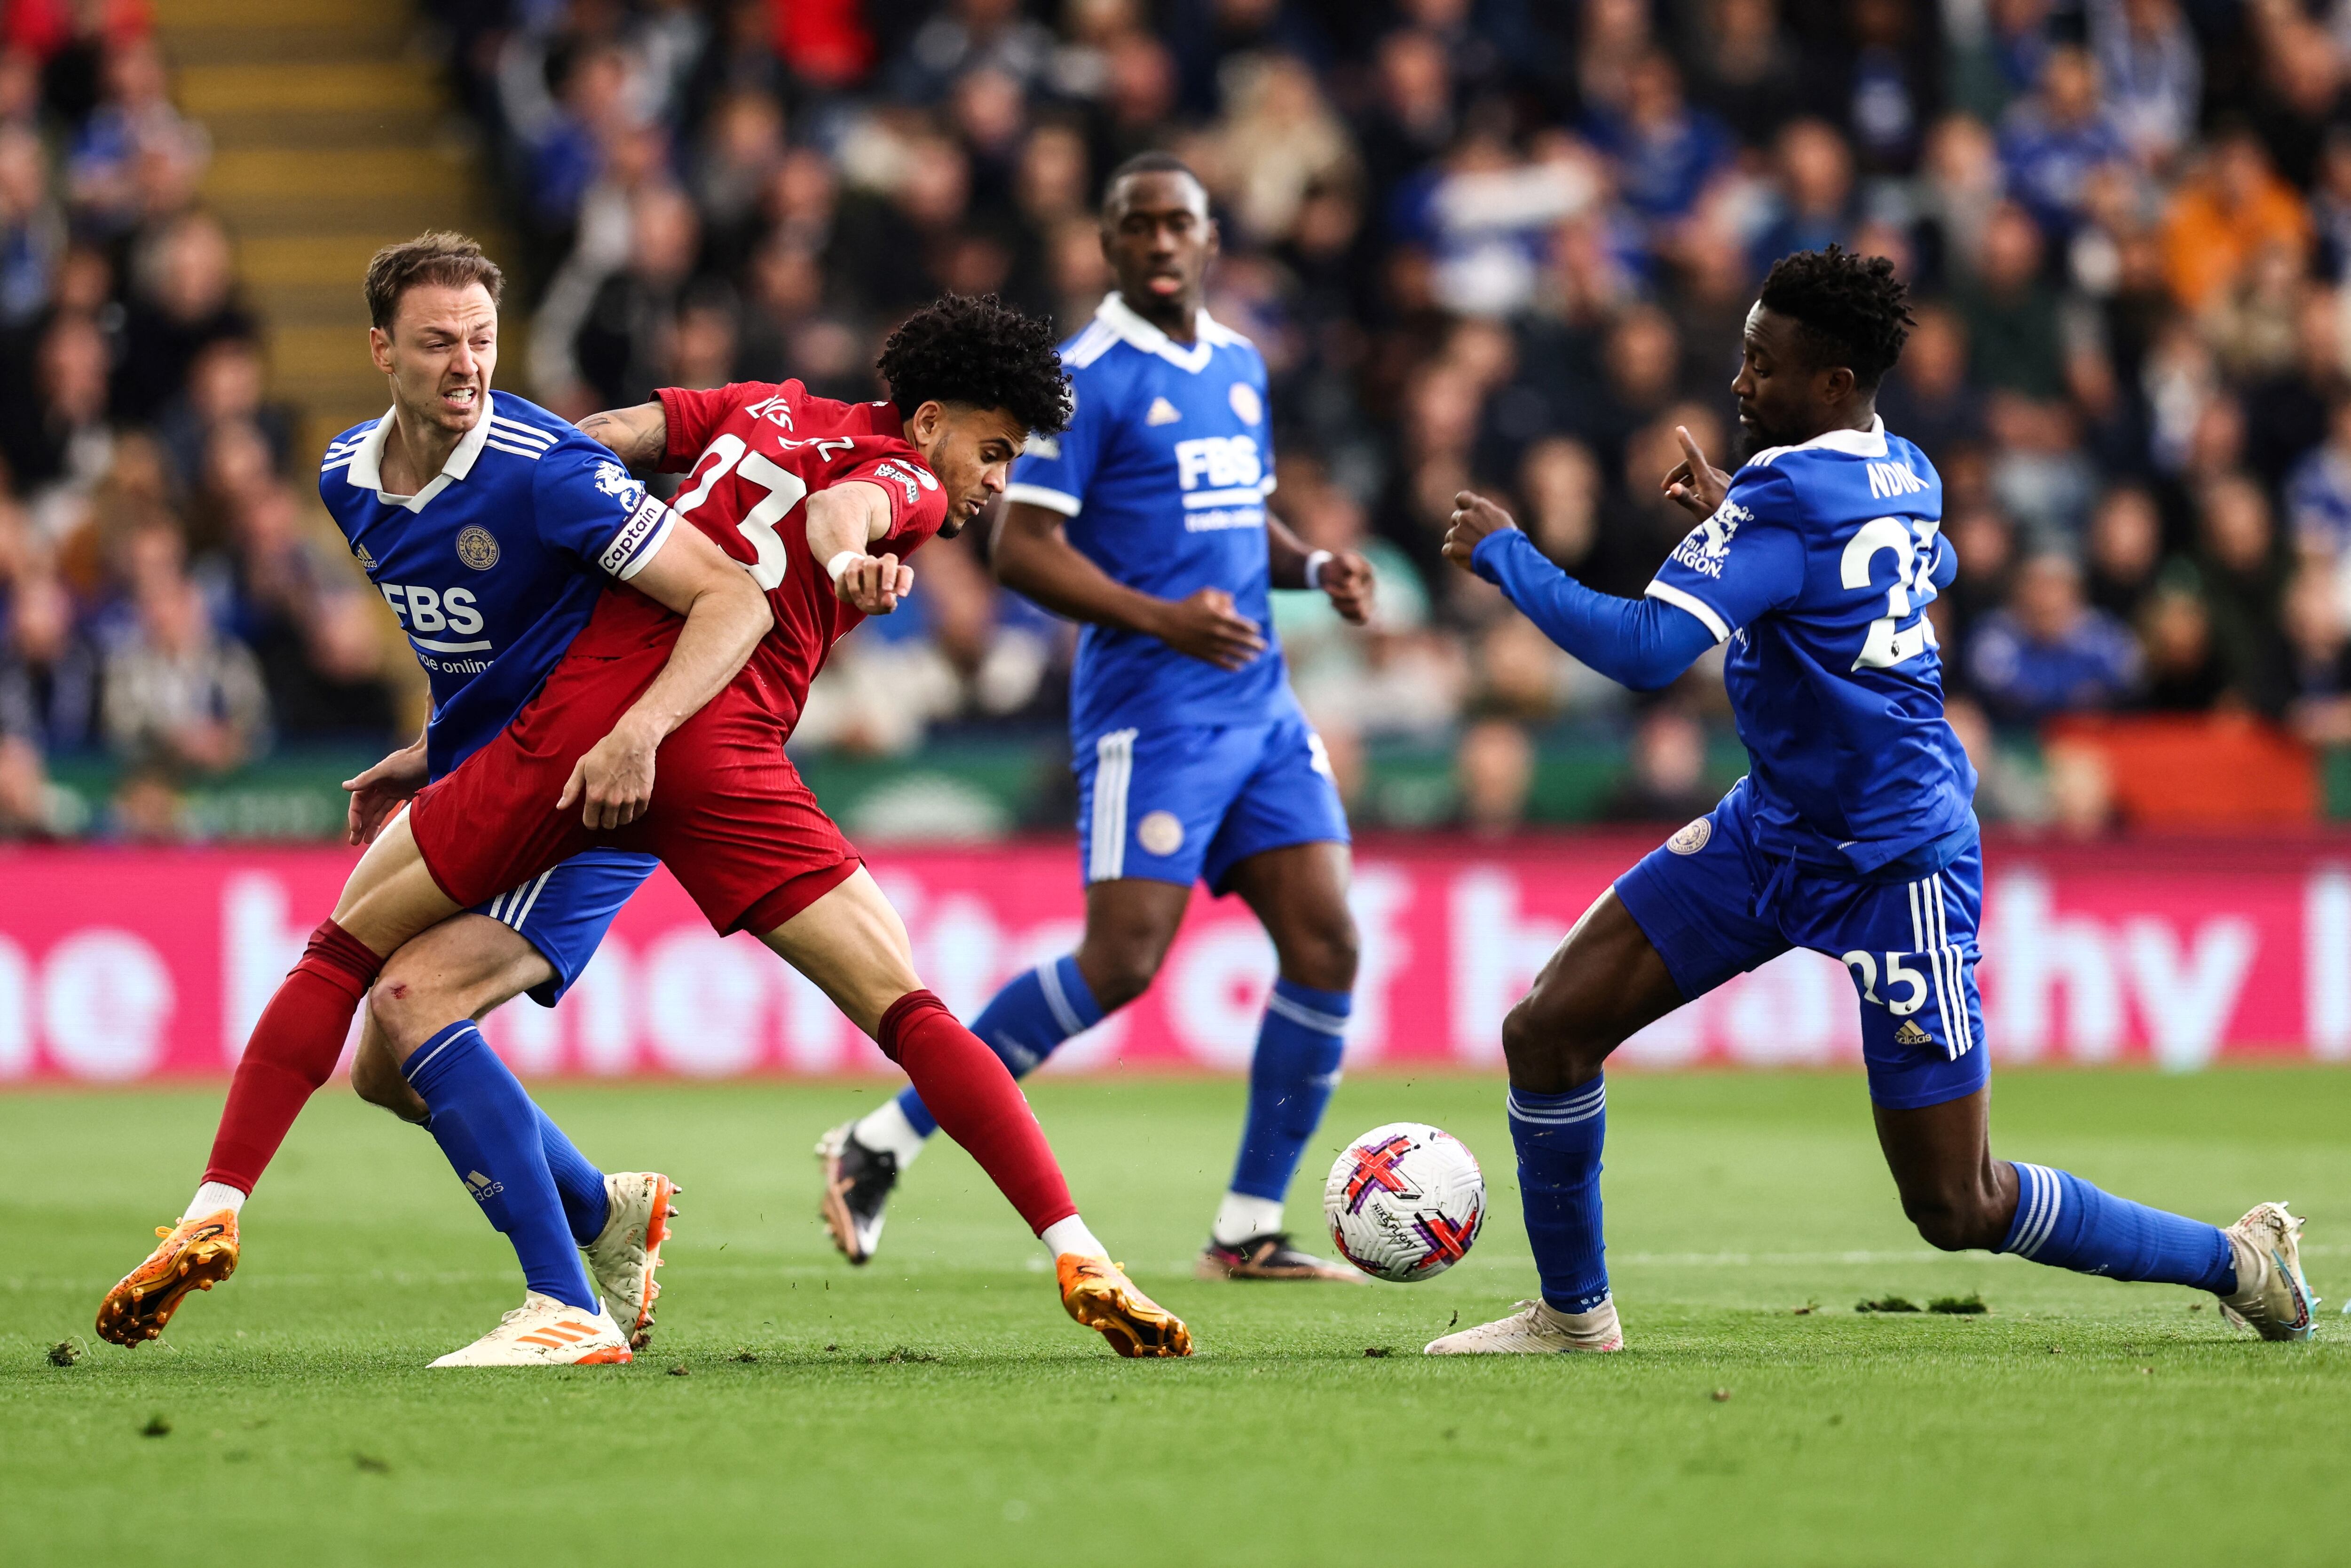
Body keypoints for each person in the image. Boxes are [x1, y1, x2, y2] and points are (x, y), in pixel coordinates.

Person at [98, 287, 1194, 1364]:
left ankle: (222, 1207)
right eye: (993, 453)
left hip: (575, 725)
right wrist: (855, 554)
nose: (992, 484)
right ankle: (1078, 1250)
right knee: (906, 1011)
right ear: (927, 422)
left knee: (351, 957)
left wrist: (533, 520)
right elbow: (836, 516)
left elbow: (600, 439)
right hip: (716, 758)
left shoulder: (762, 405)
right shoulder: (902, 474)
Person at [1424, 246, 2316, 1355]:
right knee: (1547, 1030)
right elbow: (1921, 565)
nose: (1740, 382)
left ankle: (2236, 1261)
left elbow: (1650, 650)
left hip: (1896, 863)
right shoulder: (1903, 469)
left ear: (1832, 384)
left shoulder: (1790, 495)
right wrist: (1736, 530)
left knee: (1958, 1205)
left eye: (1763, 364)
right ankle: (1571, 1316)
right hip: (1774, 830)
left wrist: (1510, 556)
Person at [97, 232, 754, 1363]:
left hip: (592, 786)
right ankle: (603, 1212)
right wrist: (430, 744)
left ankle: (565, 1305)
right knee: (385, 1071)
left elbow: (726, 596)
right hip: (484, 774)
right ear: (381, 352)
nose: (467, 365)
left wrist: (638, 735)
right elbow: (486, 642)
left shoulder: (548, 468)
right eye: (440, 342)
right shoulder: (345, 480)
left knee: (402, 997)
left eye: (483, 341)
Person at [815, 153, 1379, 1284]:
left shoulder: (1237, 364)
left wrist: (1313, 565)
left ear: (1211, 240)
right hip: (1150, 708)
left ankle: (1247, 1228)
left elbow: (1237, 510)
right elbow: (1022, 548)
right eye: (1140, 226)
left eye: (1181, 223)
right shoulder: (1085, 379)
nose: (1162, 242)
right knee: (1120, 964)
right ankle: (882, 1137)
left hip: (1258, 701)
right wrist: (1163, 621)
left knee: (1327, 942)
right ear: (1109, 245)